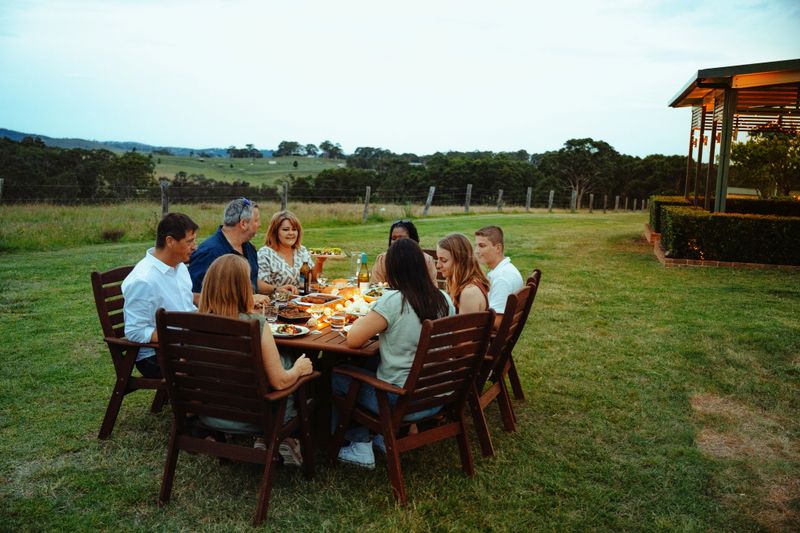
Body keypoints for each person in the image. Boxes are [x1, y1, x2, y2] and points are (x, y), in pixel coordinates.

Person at [334, 238, 455, 469]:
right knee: (371, 361)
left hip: (400, 401)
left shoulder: (394, 300)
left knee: (339, 372)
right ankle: (380, 436)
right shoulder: (444, 299)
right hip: (435, 396)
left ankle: (360, 445)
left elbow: (353, 340)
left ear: (394, 268)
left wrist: (367, 318)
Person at [197, 254, 314, 463]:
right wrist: (299, 369)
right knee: (294, 365)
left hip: (209, 415)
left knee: (279, 360)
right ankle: (285, 436)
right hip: (256, 419)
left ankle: (277, 440)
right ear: (242, 287)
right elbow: (280, 382)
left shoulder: (192, 323)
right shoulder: (255, 324)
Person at [122, 212, 198, 378]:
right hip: (156, 356)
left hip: (183, 343)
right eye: (189, 241)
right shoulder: (144, 280)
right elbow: (135, 331)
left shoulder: (180, 267)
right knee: (222, 355)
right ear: (170, 241)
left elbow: (187, 308)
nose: (195, 247)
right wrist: (183, 336)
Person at [188, 198, 269, 302]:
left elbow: (252, 281)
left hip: (252, 315)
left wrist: (275, 289)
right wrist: (247, 300)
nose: (259, 224)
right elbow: (197, 297)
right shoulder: (208, 253)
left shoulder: (249, 248)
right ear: (243, 223)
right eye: (256, 220)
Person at [257, 210, 326, 295]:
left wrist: (320, 262)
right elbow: (258, 285)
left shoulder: (301, 250)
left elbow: (313, 280)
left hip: (301, 301)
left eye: (294, 229)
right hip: (276, 303)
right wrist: (278, 289)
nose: (291, 233)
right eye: (286, 230)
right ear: (275, 232)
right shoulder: (265, 254)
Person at [474, 225, 524, 328]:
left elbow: (498, 321)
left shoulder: (502, 278)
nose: (476, 251)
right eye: (476, 246)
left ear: (497, 248)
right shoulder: (503, 269)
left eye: (482, 246)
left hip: (488, 340)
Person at [436, 233, 490, 314]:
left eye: (443, 260)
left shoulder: (469, 293)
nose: (438, 265)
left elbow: (465, 327)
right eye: (438, 259)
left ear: (460, 261)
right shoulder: (458, 283)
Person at [371, 219, 437, 285]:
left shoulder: (426, 260)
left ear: (413, 240)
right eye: (393, 239)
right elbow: (376, 286)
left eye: (401, 238)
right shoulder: (383, 260)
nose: (396, 242)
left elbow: (431, 288)